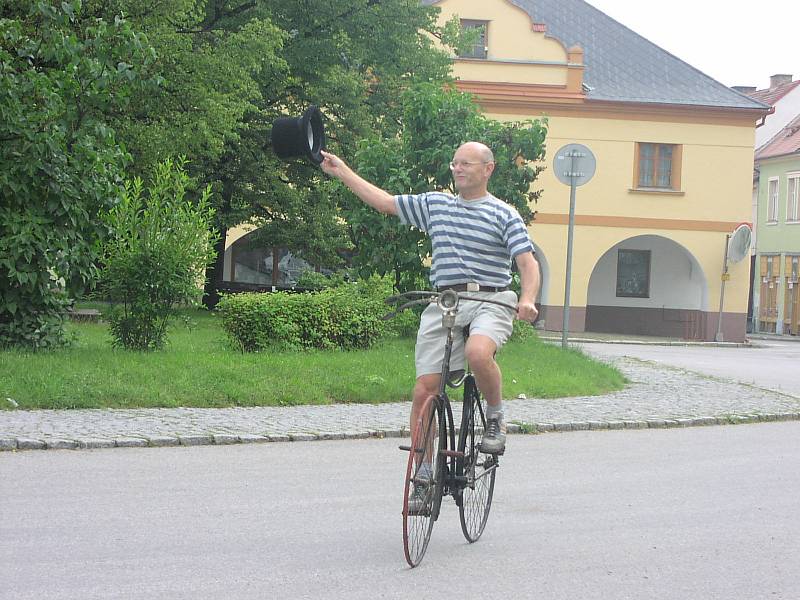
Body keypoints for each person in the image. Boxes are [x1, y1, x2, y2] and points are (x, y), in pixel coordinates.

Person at [320, 142, 540, 500]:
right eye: (454, 163)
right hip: (447, 301)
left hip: (491, 299)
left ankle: (496, 415)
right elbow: (385, 202)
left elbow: (527, 264)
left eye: (466, 164)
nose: (457, 169)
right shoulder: (435, 205)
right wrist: (342, 171)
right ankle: (423, 474)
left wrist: (527, 299)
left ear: (488, 169)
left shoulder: (504, 214)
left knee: (478, 352)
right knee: (424, 390)